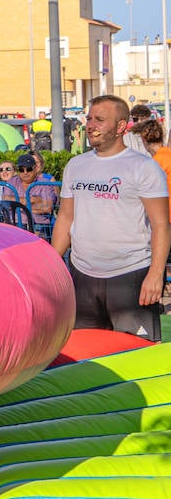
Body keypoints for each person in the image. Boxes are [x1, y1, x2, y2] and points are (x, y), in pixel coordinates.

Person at [52, 95, 170, 341]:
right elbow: (65, 218)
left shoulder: (143, 167)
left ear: (120, 127)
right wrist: (52, 265)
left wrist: (156, 274)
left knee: (134, 355)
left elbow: (161, 225)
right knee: (84, 355)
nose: (91, 125)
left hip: (130, 274)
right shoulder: (76, 165)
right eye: (89, 118)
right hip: (82, 275)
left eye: (100, 120)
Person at [8, 153, 57, 232]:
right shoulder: (11, 182)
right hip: (14, 223)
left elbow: (47, 208)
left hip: (38, 224)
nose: (25, 172)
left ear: (35, 168)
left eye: (28, 169)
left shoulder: (45, 183)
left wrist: (19, 205)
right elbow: (7, 202)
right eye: (21, 169)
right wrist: (34, 200)